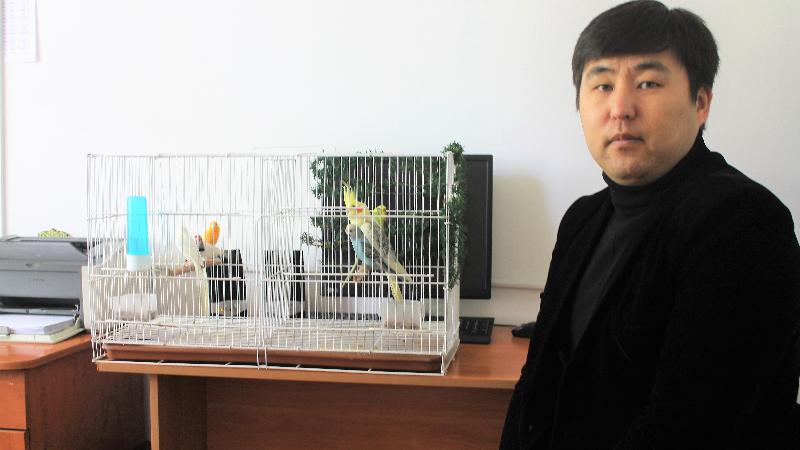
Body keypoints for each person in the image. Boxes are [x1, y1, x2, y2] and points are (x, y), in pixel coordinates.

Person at [501, 1, 800, 448]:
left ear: (701, 102)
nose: (620, 108)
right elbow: (535, 385)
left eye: (648, 83)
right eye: (602, 85)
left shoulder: (743, 222)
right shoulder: (582, 219)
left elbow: (685, 429)